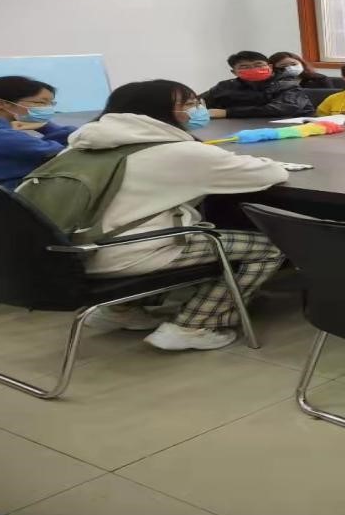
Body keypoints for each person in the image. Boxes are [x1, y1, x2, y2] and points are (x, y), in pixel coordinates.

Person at [23, 80, 289, 350]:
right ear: (161, 111)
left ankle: (118, 310)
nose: (198, 109)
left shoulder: (79, 146)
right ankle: (194, 325)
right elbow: (270, 174)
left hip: (66, 253)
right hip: (124, 252)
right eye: (189, 104)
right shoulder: (178, 151)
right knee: (271, 247)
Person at [0, 76, 76, 190]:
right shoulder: (3, 137)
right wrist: (47, 127)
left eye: (51, 103)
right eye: (41, 102)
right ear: (1, 103)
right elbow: (73, 151)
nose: (48, 108)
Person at [202, 51, 313, 119]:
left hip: (290, 130)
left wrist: (228, 113)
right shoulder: (225, 86)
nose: (253, 69)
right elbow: (201, 103)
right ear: (234, 72)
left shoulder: (287, 84)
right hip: (236, 129)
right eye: (245, 67)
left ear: (270, 67)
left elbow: (282, 109)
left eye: (258, 65)